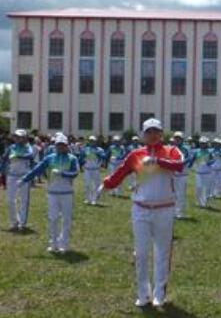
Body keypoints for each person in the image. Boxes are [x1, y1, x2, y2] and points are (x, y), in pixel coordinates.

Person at [101, 118, 184, 308]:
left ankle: (159, 294)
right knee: (141, 253)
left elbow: (180, 165)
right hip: (141, 209)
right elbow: (121, 172)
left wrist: (157, 161)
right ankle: (143, 294)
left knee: (162, 253)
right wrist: (107, 183)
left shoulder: (172, 151)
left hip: (165, 208)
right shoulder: (135, 154)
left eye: (156, 131)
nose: (153, 135)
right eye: (149, 132)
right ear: (143, 135)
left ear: (162, 133)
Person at [20, 134, 79, 252]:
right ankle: (54, 243)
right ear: (55, 145)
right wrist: (24, 179)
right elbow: (37, 169)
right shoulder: (49, 158)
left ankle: (65, 244)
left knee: (66, 219)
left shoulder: (72, 158)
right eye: (58, 145)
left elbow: (75, 173)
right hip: (52, 193)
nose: (60, 147)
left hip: (67, 193)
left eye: (63, 145)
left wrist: (63, 174)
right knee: (53, 218)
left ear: (67, 145)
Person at [0, 129, 34, 231]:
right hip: (12, 176)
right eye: (16, 136)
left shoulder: (28, 147)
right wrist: (2, 169)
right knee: (11, 200)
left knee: (24, 200)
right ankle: (14, 222)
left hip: (24, 176)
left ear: (24, 138)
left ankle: (22, 224)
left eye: (20, 137)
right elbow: (4, 159)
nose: (18, 138)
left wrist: (18, 156)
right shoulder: (11, 147)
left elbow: (30, 155)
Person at [79, 135, 106, 205]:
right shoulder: (85, 149)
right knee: (87, 184)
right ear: (89, 141)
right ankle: (88, 199)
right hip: (87, 169)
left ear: (95, 142)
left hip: (96, 169)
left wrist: (99, 154)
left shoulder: (99, 149)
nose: (92, 142)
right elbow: (81, 158)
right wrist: (81, 165)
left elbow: (104, 156)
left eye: (93, 141)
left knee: (96, 185)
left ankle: (94, 199)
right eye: (90, 141)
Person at [172, 131, 192, 219]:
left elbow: (189, 159)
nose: (177, 140)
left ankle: (180, 213)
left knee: (181, 194)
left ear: (182, 140)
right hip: (173, 174)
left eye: (179, 138)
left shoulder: (186, 149)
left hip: (182, 174)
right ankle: (173, 212)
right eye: (176, 138)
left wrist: (180, 163)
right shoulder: (171, 149)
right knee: (173, 194)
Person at [190, 136, 214, 208]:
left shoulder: (210, 152)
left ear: (207, 144)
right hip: (199, 173)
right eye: (201, 143)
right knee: (199, 187)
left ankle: (204, 203)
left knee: (206, 188)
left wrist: (209, 162)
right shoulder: (196, 151)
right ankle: (198, 202)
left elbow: (213, 160)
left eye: (204, 143)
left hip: (207, 173)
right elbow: (192, 160)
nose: (203, 144)